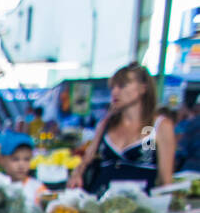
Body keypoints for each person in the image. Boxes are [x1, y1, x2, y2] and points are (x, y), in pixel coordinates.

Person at [69, 62, 174, 195]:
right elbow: (86, 160)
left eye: (122, 86)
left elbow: (166, 180)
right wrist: (77, 174)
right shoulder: (106, 124)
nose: (115, 92)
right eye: (113, 87)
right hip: (102, 202)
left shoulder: (157, 126)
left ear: (143, 88)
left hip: (140, 207)